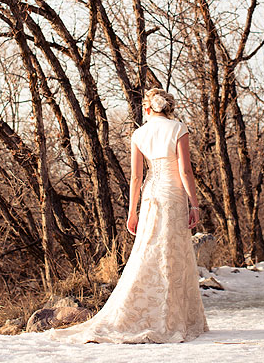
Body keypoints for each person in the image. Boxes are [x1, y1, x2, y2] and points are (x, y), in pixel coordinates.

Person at [45, 88, 210, 344]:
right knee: (173, 253)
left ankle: (145, 311)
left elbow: (136, 177)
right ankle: (174, 318)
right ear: (168, 107)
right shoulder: (179, 129)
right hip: (173, 195)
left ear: (147, 109)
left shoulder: (139, 133)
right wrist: (195, 205)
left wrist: (132, 211)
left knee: (148, 252)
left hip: (151, 196)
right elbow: (186, 171)